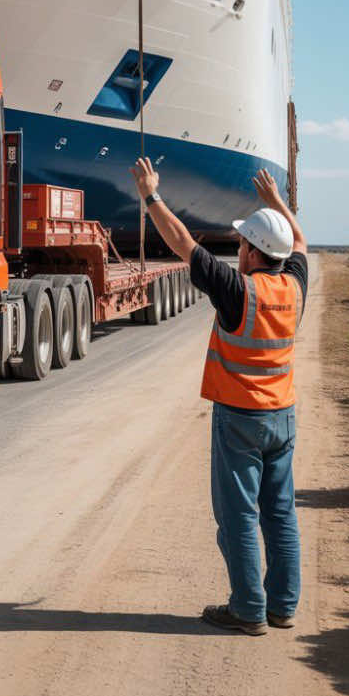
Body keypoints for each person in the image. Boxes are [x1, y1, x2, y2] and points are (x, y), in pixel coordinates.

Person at [131, 158, 307, 637]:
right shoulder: (295, 286)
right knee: (280, 512)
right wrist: (276, 205)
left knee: (239, 517)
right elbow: (302, 244)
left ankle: (249, 610)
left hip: (240, 420)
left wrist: (151, 195)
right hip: (283, 417)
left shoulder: (237, 291)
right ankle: (283, 606)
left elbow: (183, 244)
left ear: (251, 251)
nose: (239, 249)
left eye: (243, 242)